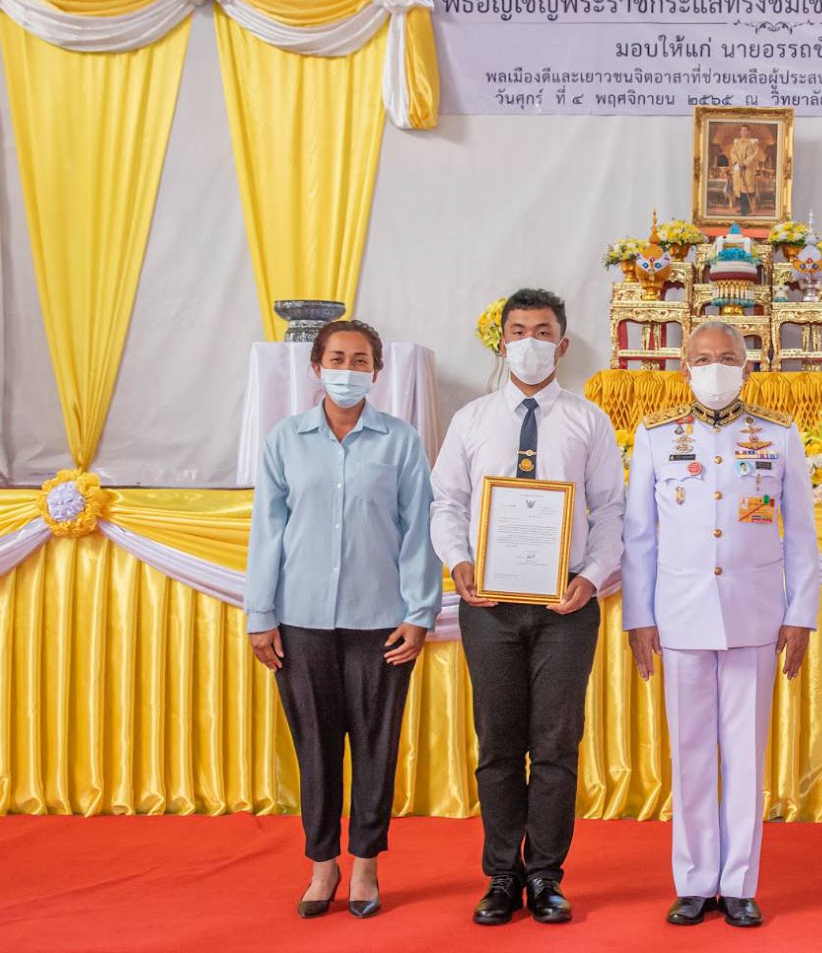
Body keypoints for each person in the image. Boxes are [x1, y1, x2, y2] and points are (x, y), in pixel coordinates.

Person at [430, 288, 626, 926]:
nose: (530, 342)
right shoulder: (472, 419)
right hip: (488, 602)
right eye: (519, 331)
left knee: (555, 744)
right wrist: (459, 562)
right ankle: (500, 876)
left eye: (543, 331)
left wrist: (594, 577)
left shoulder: (588, 421)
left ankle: (544, 875)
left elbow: (613, 511)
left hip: (566, 604)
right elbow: (447, 505)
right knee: (497, 743)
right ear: (502, 340)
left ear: (563, 345)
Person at [621, 321, 819, 928]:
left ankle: (737, 883)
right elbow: (639, 539)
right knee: (689, 753)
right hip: (679, 616)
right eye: (703, 358)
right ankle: (693, 879)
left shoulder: (779, 436)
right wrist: (639, 618)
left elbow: (802, 536)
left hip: (754, 615)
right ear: (684, 367)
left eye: (727, 357)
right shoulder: (655, 436)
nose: (715, 368)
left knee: (745, 753)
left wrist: (801, 616)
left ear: (747, 366)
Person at [245, 319, 441, 920]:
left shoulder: (401, 441)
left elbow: (419, 531)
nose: (348, 370)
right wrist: (261, 614)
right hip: (301, 620)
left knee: (376, 745)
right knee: (316, 746)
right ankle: (321, 864)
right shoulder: (285, 440)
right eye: (337, 358)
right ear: (315, 367)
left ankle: (365, 864)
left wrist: (420, 613)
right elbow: (267, 531)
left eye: (360, 361)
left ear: (376, 372)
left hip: (380, 620)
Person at [727, 125, 761, 217]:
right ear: (740, 132)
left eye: (745, 131)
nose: (743, 132)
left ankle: (746, 210)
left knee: (746, 189)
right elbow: (732, 153)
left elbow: (755, 154)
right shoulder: (737, 143)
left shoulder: (752, 143)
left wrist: (745, 163)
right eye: (742, 131)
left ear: (749, 132)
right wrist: (738, 163)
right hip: (738, 167)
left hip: (748, 168)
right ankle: (742, 208)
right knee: (739, 188)